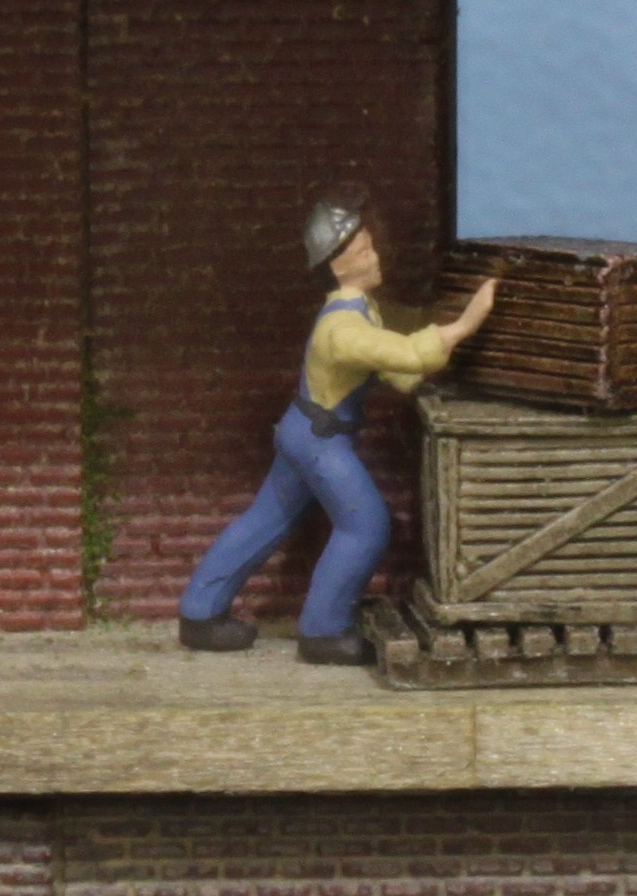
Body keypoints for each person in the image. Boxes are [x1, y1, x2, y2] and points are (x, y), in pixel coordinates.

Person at [177, 189, 500, 666]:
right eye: (363, 250)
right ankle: (324, 631)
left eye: (370, 244)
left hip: (306, 432)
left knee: (267, 519)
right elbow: (405, 354)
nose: (374, 255)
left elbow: (397, 358)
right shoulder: (342, 328)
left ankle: (200, 612)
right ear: (337, 266)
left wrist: (431, 340)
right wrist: (466, 325)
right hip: (318, 441)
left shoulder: (362, 311)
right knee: (365, 525)